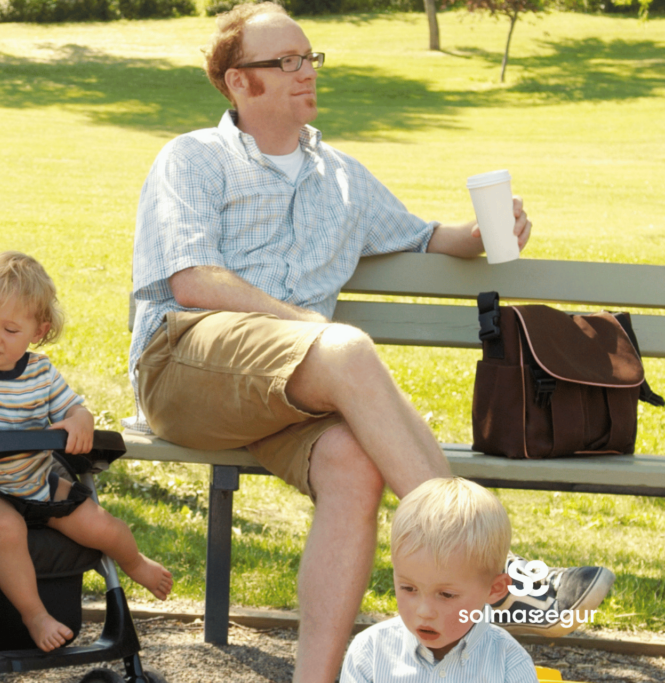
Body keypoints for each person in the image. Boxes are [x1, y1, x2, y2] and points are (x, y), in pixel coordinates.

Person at [129, 3, 613, 682]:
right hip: (185, 364)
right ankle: (495, 576)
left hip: (288, 391)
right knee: (345, 349)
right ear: (240, 83)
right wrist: (306, 327)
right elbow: (191, 279)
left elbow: (425, 235)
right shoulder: (193, 158)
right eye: (285, 61)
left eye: (309, 57)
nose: (305, 72)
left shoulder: (341, 178)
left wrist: (481, 233)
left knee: (355, 463)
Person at [0, 251, 173, 653]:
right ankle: (35, 616)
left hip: (39, 481)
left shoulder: (41, 373)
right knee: (6, 532)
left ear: (39, 330)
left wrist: (80, 421)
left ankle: (135, 564)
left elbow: (74, 408)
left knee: (106, 528)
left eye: (10, 329)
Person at [340, 477, 538, 682]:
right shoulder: (370, 653)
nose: (424, 611)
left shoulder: (509, 662)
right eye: (408, 588)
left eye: (446, 595)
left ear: (494, 589)